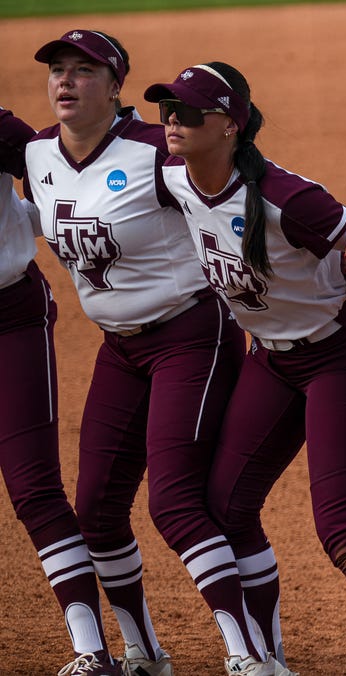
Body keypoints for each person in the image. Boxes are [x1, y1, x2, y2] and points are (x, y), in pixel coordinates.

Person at [144, 61, 346, 676]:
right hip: (270, 360)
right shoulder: (176, 178)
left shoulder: (288, 199)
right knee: (226, 507)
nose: (171, 121)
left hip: (339, 357)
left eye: (187, 111)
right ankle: (266, 660)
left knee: (343, 525)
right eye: (167, 110)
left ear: (230, 125)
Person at [24, 30, 275, 675]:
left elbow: (246, 190)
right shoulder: (37, 155)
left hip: (190, 336)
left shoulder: (156, 151)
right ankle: (144, 653)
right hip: (120, 349)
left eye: (84, 71)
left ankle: (249, 657)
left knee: (177, 501)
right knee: (96, 510)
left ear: (116, 86)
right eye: (58, 70)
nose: (66, 81)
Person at [0, 104, 124, 676]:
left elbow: (55, 185)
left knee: (33, 485)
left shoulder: (3, 130)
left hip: (9, 317)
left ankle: (91, 650)